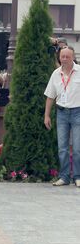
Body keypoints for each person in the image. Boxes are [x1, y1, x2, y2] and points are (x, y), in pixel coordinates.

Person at [44, 46, 80, 187]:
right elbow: (50, 96)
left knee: (77, 147)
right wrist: (46, 115)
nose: (64, 59)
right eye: (62, 56)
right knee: (62, 147)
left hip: (78, 112)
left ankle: (77, 176)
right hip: (62, 113)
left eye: (67, 57)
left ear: (73, 57)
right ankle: (64, 177)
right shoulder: (55, 74)